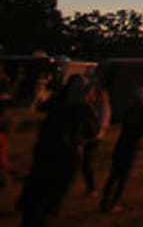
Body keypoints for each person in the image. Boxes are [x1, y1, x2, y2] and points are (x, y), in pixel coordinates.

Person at [17, 75, 96, 226]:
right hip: (64, 155)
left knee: (37, 189)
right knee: (51, 197)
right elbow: (92, 131)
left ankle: (31, 213)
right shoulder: (82, 108)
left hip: (47, 149)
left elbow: (43, 108)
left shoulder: (59, 101)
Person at [100, 87, 143, 213]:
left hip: (122, 143)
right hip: (131, 145)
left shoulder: (130, 110)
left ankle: (105, 200)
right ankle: (114, 202)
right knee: (122, 176)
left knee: (114, 174)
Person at [80, 81, 110, 196]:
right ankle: (90, 188)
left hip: (95, 138)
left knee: (86, 163)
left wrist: (94, 134)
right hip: (90, 136)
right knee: (84, 162)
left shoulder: (104, 108)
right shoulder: (96, 106)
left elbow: (102, 124)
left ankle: (92, 188)